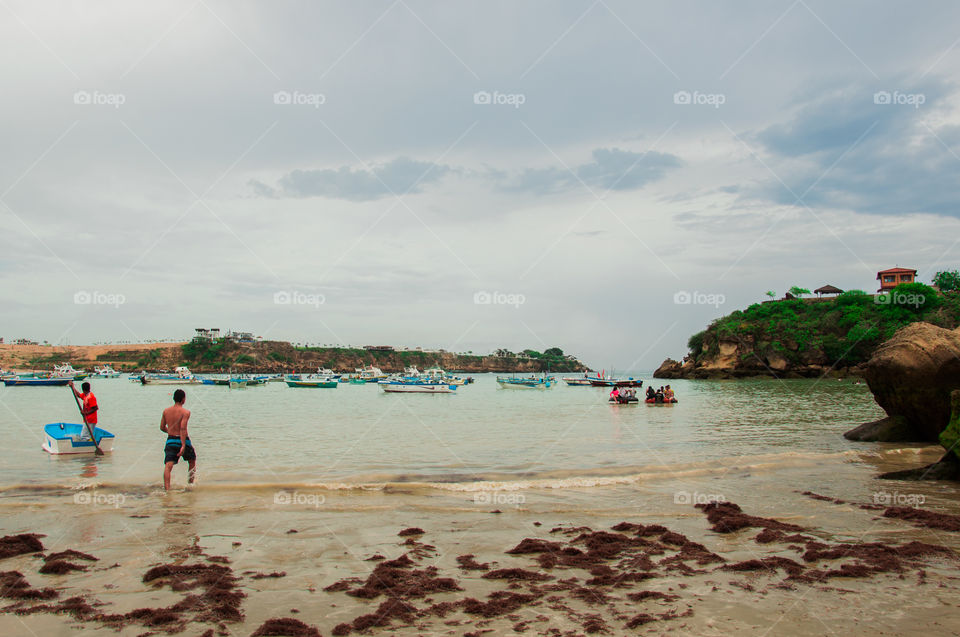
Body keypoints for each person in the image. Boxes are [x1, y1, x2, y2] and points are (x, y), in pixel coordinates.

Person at [161, 389, 196, 491]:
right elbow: (183, 428)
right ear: (183, 399)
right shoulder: (185, 412)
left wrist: (170, 432)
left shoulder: (166, 411)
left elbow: (162, 427)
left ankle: (167, 489)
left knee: (168, 466)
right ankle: (190, 485)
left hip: (170, 440)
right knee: (192, 461)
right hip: (182, 440)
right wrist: (183, 445)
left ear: (174, 398)